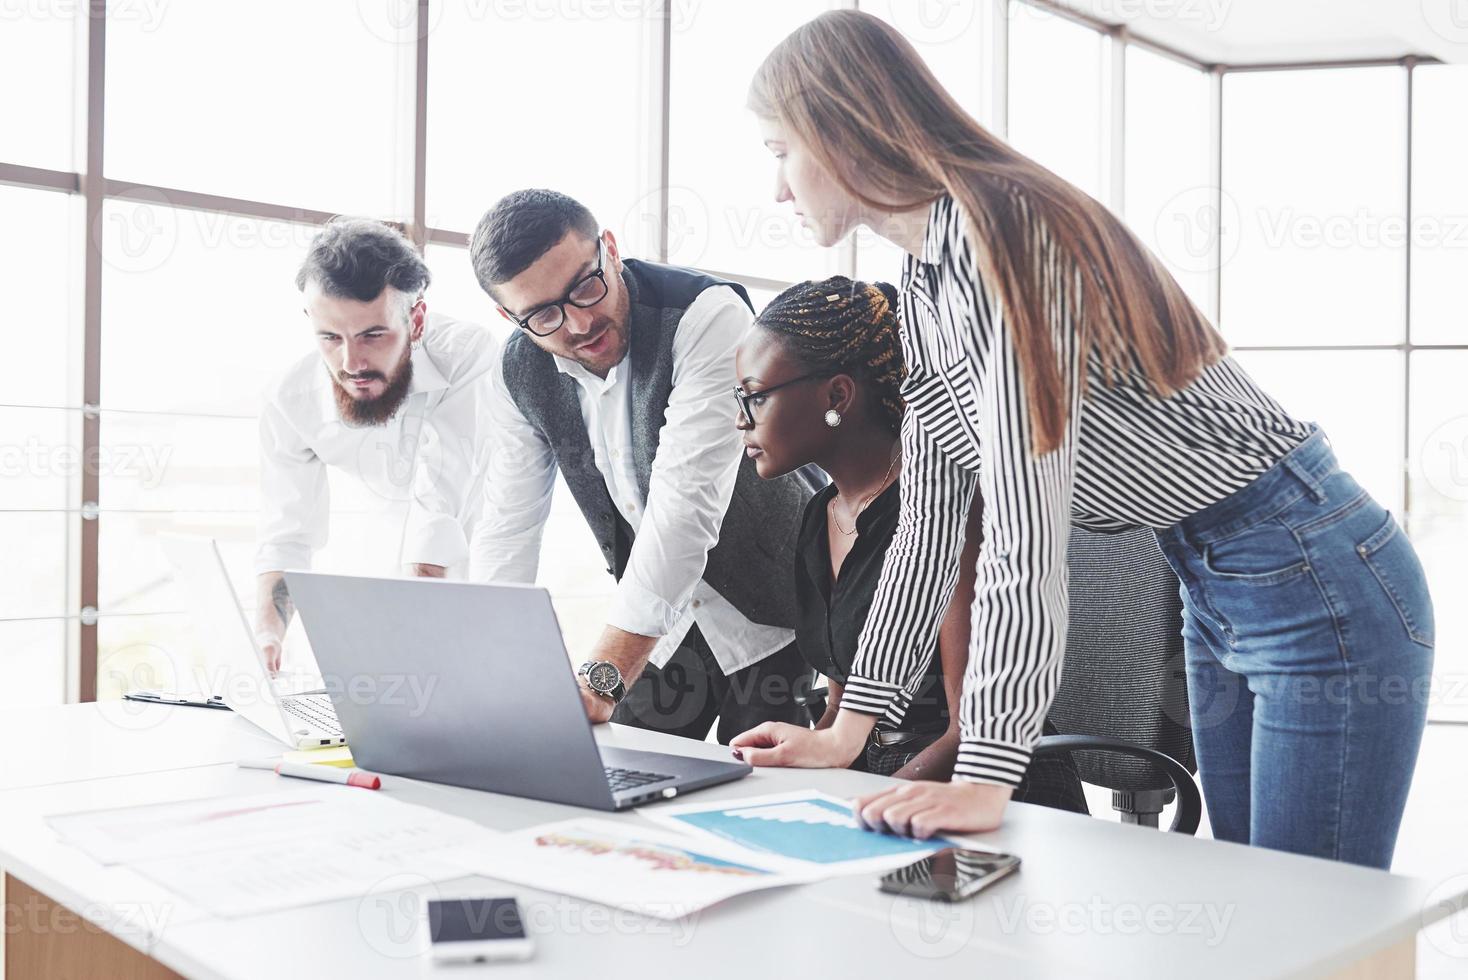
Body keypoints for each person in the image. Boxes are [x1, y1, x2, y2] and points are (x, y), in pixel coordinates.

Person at [734, 11, 1433, 870]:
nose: (777, 190)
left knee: (1314, 919)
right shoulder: (924, 279)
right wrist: (847, 731)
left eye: (778, 153)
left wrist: (986, 773)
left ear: (838, 130)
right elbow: (929, 525)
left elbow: (1024, 538)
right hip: (1216, 571)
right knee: (1267, 904)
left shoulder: (1011, 237)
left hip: (1310, 572)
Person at [467, 189, 815, 742]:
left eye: (585, 286)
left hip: (778, 604)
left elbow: (684, 507)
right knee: (622, 770)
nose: (579, 324)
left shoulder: (706, 315)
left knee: (760, 788)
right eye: (542, 314)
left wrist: (603, 677)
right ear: (508, 315)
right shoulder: (514, 371)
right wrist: (489, 664)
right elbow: (508, 523)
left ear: (609, 248)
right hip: (666, 619)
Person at [730, 275, 1088, 813]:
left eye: (755, 397)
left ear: (837, 396)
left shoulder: (946, 508)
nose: (741, 420)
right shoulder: (816, 516)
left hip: (994, 795)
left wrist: (862, 804)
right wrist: (794, 766)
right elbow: (840, 710)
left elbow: (970, 727)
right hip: (886, 790)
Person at [254, 218, 497, 671]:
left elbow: (441, 497)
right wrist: (269, 632)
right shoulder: (288, 398)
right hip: (367, 590)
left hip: (475, 580)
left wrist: (407, 640)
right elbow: (287, 533)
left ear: (417, 320)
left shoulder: (467, 354)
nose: (351, 362)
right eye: (330, 337)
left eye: (373, 334)